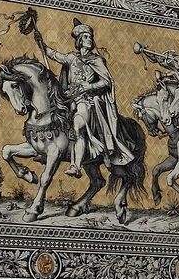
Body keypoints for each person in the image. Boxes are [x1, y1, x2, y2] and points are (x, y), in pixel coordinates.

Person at [38, 18, 133, 178]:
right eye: (86, 37)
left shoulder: (96, 60)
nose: (90, 40)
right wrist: (41, 43)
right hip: (69, 100)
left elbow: (106, 81)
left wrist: (89, 87)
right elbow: (54, 55)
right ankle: (44, 150)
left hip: (86, 101)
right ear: (80, 40)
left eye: (90, 37)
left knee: (78, 124)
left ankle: (76, 166)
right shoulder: (72, 58)